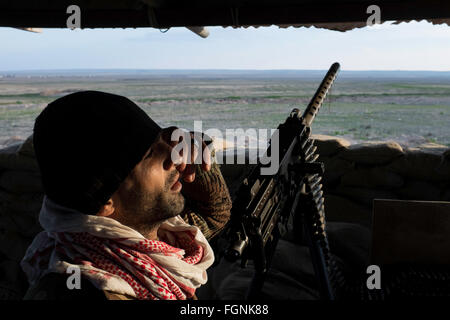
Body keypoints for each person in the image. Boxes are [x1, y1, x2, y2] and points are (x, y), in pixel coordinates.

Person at [20, 90, 232, 300]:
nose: (174, 155)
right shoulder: (88, 288)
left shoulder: (142, 237)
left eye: (164, 139)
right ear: (106, 202)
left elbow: (214, 214)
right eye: (149, 154)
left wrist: (193, 146)